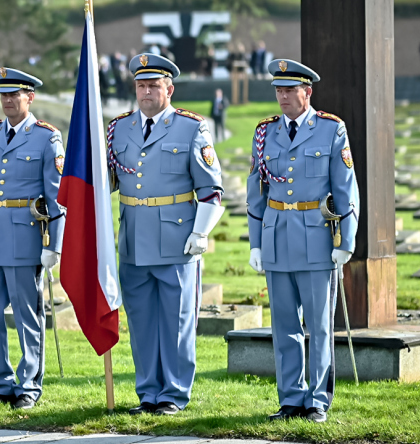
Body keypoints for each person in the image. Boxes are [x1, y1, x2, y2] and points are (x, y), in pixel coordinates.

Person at [109, 53, 224, 416]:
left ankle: (173, 394)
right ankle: (148, 393)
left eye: (153, 85)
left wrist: (201, 232)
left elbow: (211, 189)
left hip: (176, 241)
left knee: (175, 322)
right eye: (141, 85)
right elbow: (107, 183)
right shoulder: (119, 128)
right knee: (141, 321)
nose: (146, 92)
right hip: (132, 242)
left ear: (169, 89)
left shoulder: (191, 128)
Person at [246, 59, 359, 424]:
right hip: (277, 235)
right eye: (278, 90)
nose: (282, 97)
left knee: (319, 325)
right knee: (284, 325)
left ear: (306, 92)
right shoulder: (264, 133)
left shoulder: (330, 130)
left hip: (316, 237)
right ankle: (291, 398)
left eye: (289, 90)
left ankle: (318, 400)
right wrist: (255, 243)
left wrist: (347, 239)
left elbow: (345, 188)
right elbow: (256, 192)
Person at [0, 67, 64, 410]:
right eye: (3, 95)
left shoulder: (46, 138)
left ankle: (28, 385)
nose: (8, 100)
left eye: (15, 95)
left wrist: (54, 245)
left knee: (27, 314)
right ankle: (0, 385)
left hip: (26, 235)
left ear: (30, 97)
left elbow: (57, 198)